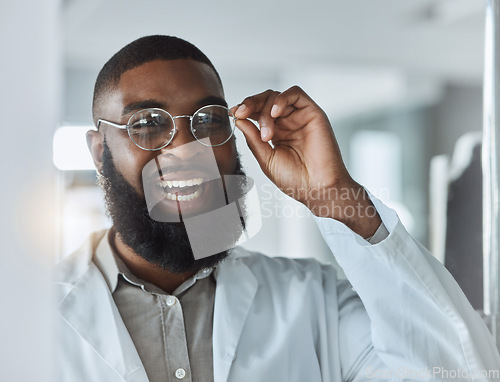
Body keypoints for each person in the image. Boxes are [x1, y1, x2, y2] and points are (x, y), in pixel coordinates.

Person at [55, 35, 500, 382]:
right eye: (148, 124)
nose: (187, 148)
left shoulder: (310, 302)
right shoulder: (31, 314)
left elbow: (461, 371)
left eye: (208, 120)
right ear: (99, 151)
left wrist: (333, 195)